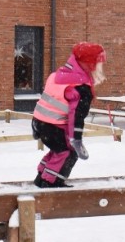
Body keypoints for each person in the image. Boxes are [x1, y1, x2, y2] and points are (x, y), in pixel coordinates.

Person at [31, 42, 106, 188]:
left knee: (58, 150)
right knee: (69, 153)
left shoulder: (56, 75)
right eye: (96, 63)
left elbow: (46, 101)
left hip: (41, 123)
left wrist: (36, 126)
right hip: (53, 127)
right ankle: (51, 182)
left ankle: (42, 175)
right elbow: (77, 117)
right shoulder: (80, 88)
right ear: (88, 64)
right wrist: (76, 140)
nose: (98, 67)